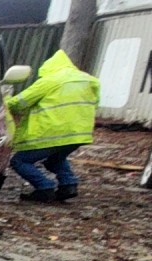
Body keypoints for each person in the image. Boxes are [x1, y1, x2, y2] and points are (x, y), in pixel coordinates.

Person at [6, 50, 101, 203]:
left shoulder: (50, 80)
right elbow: (95, 103)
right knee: (55, 159)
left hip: (52, 132)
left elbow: (20, 102)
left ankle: (44, 188)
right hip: (78, 134)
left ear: (48, 68)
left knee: (20, 161)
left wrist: (3, 103)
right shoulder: (90, 81)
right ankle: (68, 185)